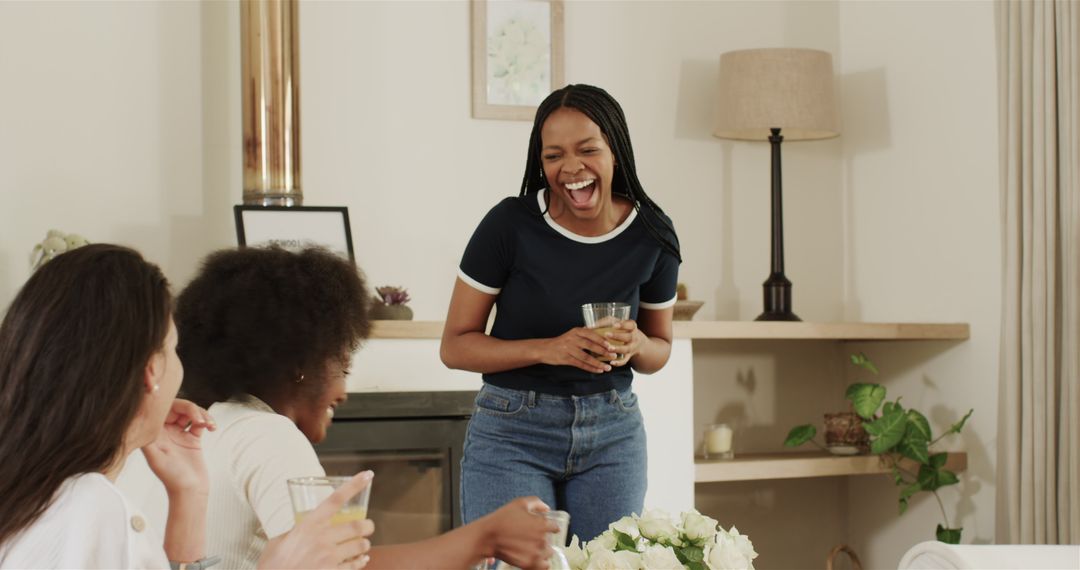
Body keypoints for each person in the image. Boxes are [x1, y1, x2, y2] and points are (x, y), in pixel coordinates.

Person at [171, 246, 556, 570]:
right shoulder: (268, 435)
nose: (343, 392)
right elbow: (346, 567)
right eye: (343, 366)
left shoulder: (209, 428)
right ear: (297, 366)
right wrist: (484, 537)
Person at [0, 244, 374, 570]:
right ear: (152, 371)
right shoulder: (93, 508)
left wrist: (189, 498)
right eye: (172, 348)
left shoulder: (43, 495)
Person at [440, 83, 682, 542]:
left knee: (608, 564)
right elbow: (455, 346)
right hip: (513, 433)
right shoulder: (510, 225)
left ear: (616, 151)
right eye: (553, 156)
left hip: (614, 433)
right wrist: (552, 349)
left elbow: (660, 350)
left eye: (587, 149)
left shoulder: (652, 232)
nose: (571, 168)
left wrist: (637, 344)